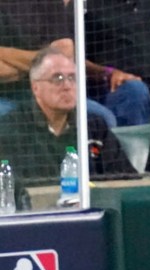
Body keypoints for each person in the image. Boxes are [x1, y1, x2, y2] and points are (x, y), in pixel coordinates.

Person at [0, 47, 136, 183]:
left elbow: (127, 180)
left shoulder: (93, 126)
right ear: (36, 87)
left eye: (72, 78)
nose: (67, 86)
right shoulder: (10, 130)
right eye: (57, 78)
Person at [0, 0, 123, 127]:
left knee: (103, 118)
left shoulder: (49, 3)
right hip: (5, 95)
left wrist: (4, 53)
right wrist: (46, 62)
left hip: (54, 89)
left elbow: (65, 52)